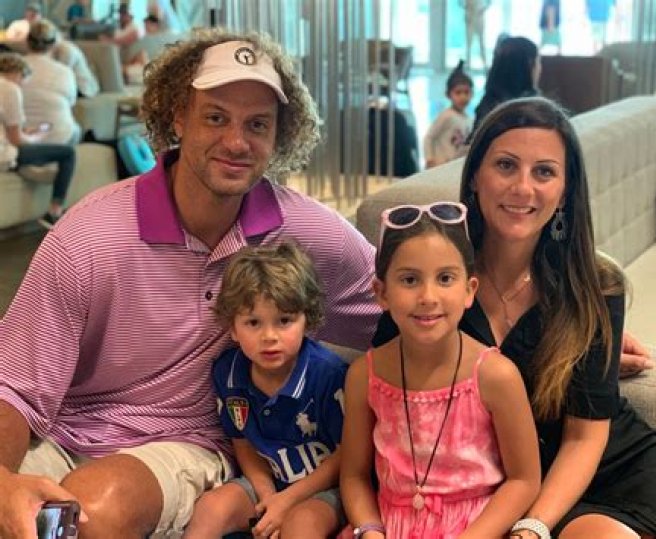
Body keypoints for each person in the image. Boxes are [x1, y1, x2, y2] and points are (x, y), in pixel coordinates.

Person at [0, 30, 379, 537]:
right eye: (216, 117)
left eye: (257, 124)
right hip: (61, 432)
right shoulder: (89, 234)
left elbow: (405, 308)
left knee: (89, 510)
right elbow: (15, 386)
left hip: (183, 443)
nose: (237, 142)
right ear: (178, 115)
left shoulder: (308, 232)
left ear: (279, 136)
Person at [376, 96, 656, 538]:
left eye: (544, 172)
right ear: (475, 176)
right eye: (506, 166)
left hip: (610, 475)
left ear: (565, 190)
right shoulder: (433, 280)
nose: (523, 188)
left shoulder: (594, 286)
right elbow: (386, 382)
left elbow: (586, 437)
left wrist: (532, 527)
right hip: (492, 490)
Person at [341, 202, 541, 537]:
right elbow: (354, 475)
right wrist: (370, 529)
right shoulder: (364, 375)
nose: (428, 296)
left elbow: (524, 480)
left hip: (477, 530)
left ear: (469, 290)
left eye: (445, 278)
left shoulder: (496, 376)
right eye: (409, 280)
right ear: (381, 293)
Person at [184, 242, 348, 538]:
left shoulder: (330, 375)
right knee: (211, 508)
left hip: (325, 489)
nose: (269, 336)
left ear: (307, 320)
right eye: (253, 323)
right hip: (267, 484)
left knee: (302, 525)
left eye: (284, 321)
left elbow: (347, 456)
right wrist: (268, 497)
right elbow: (243, 443)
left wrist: (287, 501)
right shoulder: (228, 373)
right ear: (232, 328)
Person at [0, 52, 76, 230]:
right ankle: (54, 212)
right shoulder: (10, 89)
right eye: (23, 82)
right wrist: (35, 137)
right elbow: (17, 140)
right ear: (19, 74)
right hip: (4, 154)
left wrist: (24, 133)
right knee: (68, 153)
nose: (21, 86)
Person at [469, 36, 540, 138]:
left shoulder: (488, 102)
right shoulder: (526, 109)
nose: (540, 69)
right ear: (528, 65)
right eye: (538, 62)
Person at [23, 19, 81, 144]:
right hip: (59, 138)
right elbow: (71, 103)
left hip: (18, 138)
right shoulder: (65, 72)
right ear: (54, 44)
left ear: (26, 42)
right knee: (76, 129)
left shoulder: (10, 69)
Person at [423, 60, 474, 168]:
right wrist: (429, 159)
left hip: (456, 168)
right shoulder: (446, 116)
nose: (463, 97)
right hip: (440, 167)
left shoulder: (470, 119)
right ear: (448, 94)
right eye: (458, 92)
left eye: (466, 92)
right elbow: (429, 137)